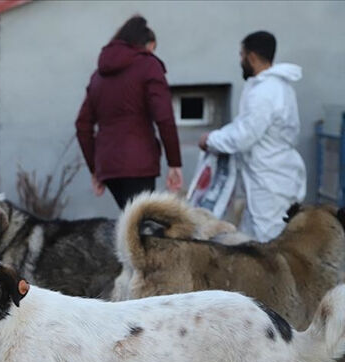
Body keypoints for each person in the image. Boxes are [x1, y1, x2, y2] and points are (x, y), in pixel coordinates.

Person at [199, 31, 306, 242]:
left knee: (267, 243)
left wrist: (210, 140)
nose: (240, 61)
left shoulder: (265, 92)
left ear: (252, 57)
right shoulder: (277, 88)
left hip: (269, 182)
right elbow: (244, 126)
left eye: (242, 55)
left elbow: (243, 136)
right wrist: (216, 136)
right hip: (272, 176)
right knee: (258, 239)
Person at [76, 15, 182, 210]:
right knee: (143, 231)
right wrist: (174, 162)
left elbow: (82, 125)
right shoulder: (148, 65)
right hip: (139, 163)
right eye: (152, 49)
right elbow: (164, 117)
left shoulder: (98, 75)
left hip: (108, 167)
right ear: (147, 44)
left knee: (132, 225)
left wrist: (95, 169)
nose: (152, 53)